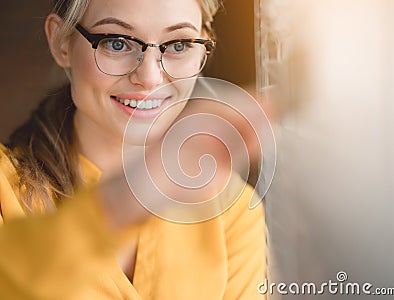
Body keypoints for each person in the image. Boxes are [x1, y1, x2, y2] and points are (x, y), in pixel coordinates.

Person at [0, 0, 267, 299]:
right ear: (61, 42)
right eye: (116, 43)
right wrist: (124, 200)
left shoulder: (234, 211)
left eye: (178, 45)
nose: (150, 78)